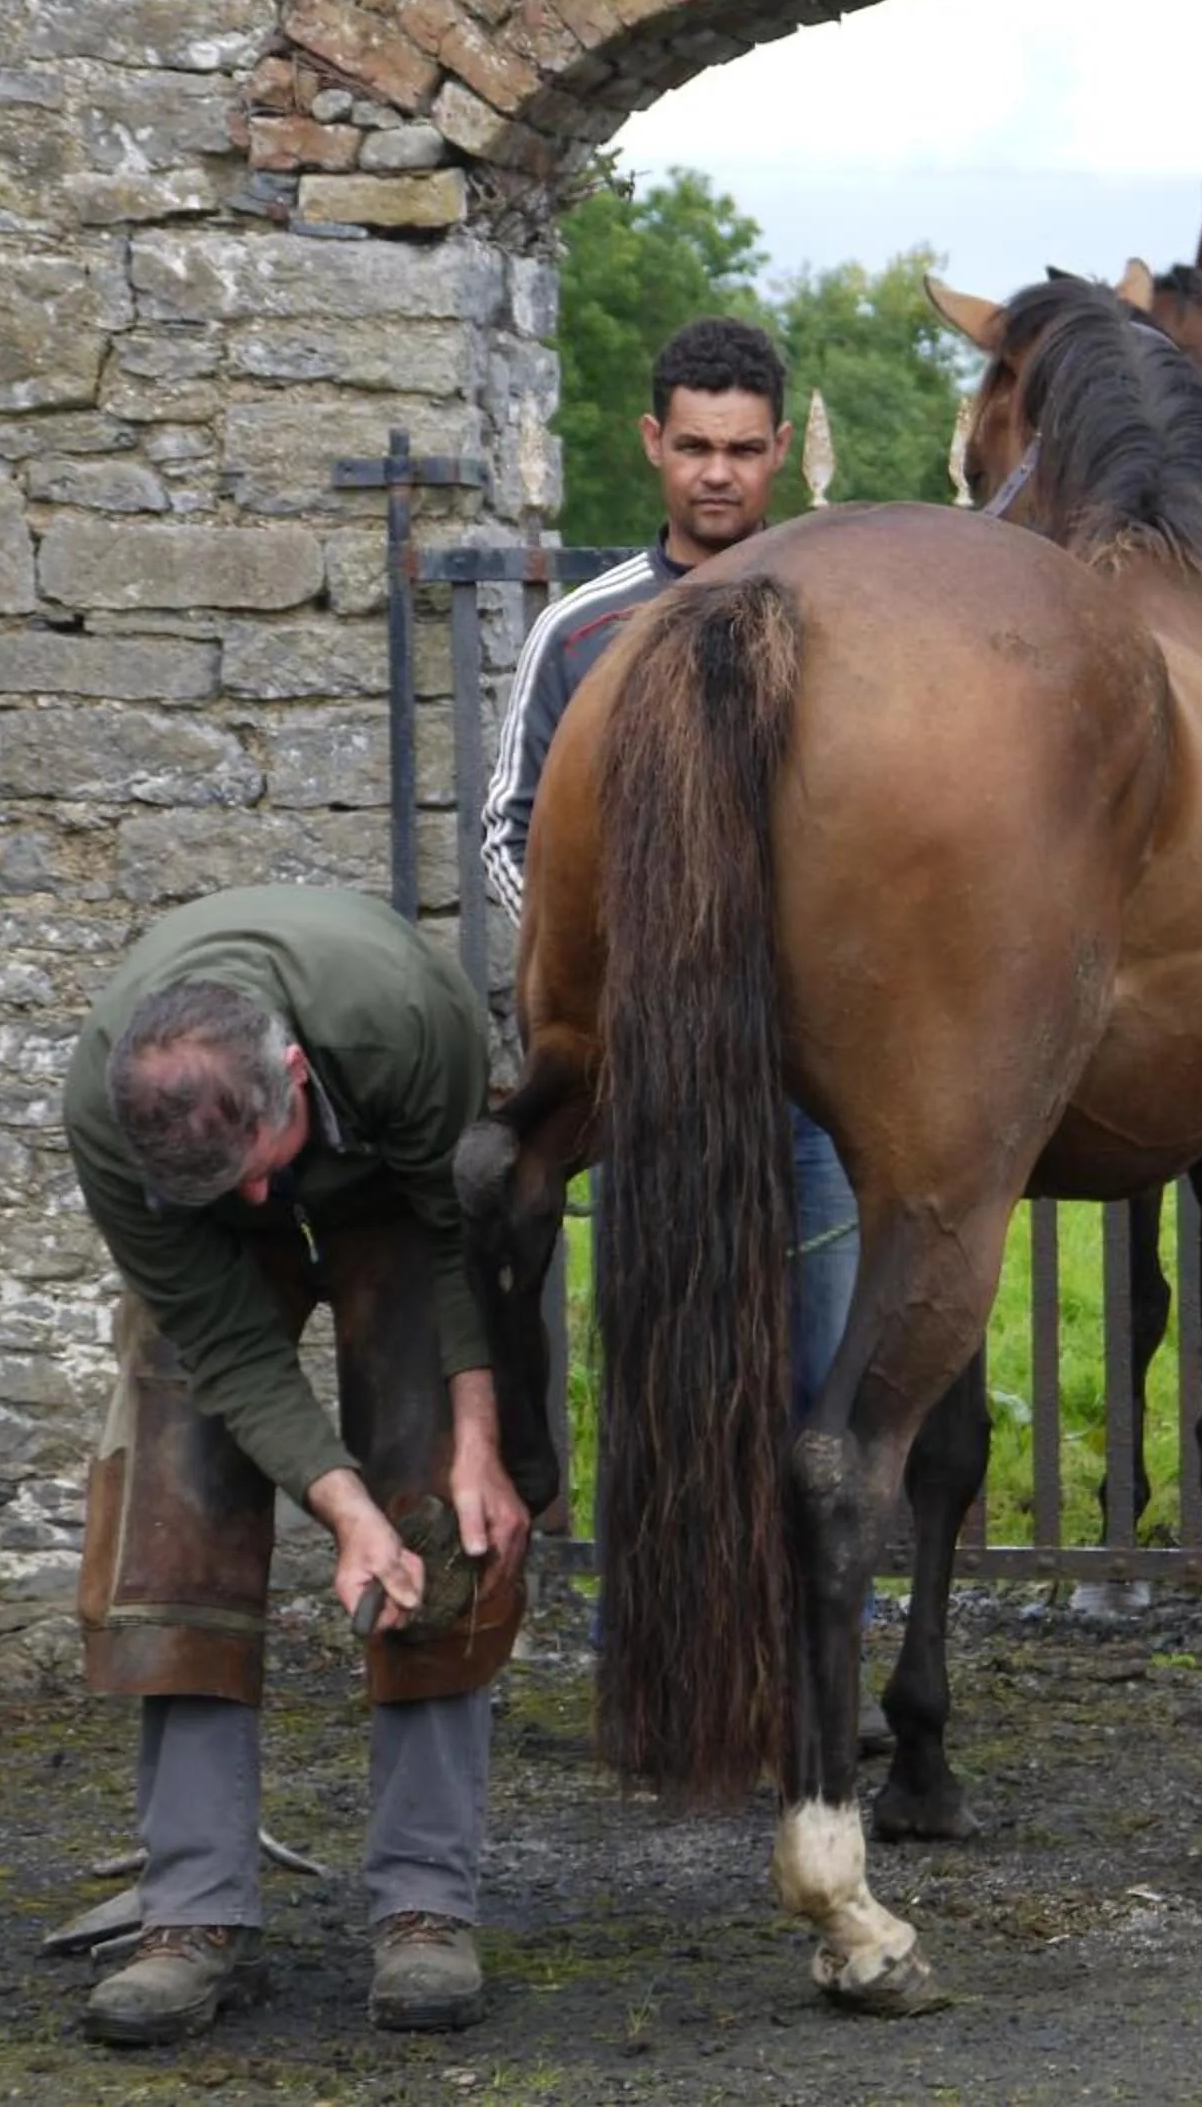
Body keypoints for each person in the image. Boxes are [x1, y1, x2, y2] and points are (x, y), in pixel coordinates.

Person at [483, 318, 876, 1722]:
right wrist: (634, 966)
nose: (719, 474)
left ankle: (815, 1669)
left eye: (745, 449)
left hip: (815, 1080)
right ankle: (660, 1671)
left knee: (823, 1377)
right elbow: (511, 832)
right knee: (663, 1370)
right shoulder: (583, 632)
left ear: (782, 453)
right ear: (652, 443)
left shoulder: (844, 639)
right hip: (652, 1081)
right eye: (695, 445)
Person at [64, 885, 536, 2047]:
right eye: (231, 1190)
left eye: (261, 1168)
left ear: (291, 1073)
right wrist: (340, 1512)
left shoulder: (403, 1025)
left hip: (397, 1202)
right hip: (214, 1254)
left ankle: (426, 1905)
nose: (263, 1203)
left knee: (443, 1510)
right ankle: (188, 1912)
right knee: (171, 1504)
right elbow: (227, 1344)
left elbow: (455, 1240)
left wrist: (480, 1448)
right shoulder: (111, 1122)